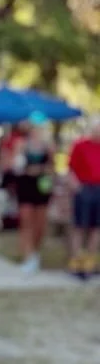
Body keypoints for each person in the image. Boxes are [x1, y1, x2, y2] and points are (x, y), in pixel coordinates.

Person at [12, 112, 55, 274]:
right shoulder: (21, 144)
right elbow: (15, 165)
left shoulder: (48, 146)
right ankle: (27, 256)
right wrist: (26, 169)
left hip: (41, 186)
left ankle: (35, 252)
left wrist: (41, 170)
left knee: (40, 224)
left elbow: (52, 167)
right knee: (26, 222)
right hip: (26, 185)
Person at [67, 116, 100, 280]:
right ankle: (76, 261)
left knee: (96, 228)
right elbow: (71, 169)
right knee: (79, 226)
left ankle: (90, 262)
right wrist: (76, 186)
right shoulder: (80, 146)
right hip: (84, 189)